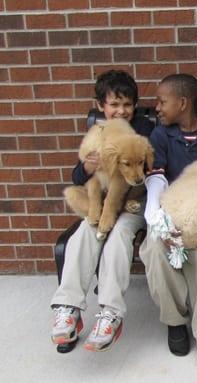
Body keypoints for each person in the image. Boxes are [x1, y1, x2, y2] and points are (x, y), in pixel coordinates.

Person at [50, 69, 153, 352]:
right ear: (101, 106)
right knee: (84, 231)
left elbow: (145, 173)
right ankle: (68, 308)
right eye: (114, 104)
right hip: (99, 203)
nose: (121, 111)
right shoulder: (97, 131)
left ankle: (110, 313)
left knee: (119, 235)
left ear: (135, 105)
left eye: (127, 104)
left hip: (132, 204)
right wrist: (87, 167)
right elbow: (77, 177)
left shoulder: (143, 130)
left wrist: (116, 205)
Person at [139, 74, 197, 370]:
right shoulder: (161, 136)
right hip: (169, 211)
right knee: (155, 248)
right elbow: (157, 176)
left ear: (183, 102)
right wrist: (155, 215)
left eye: (162, 102)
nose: (157, 108)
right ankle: (175, 321)